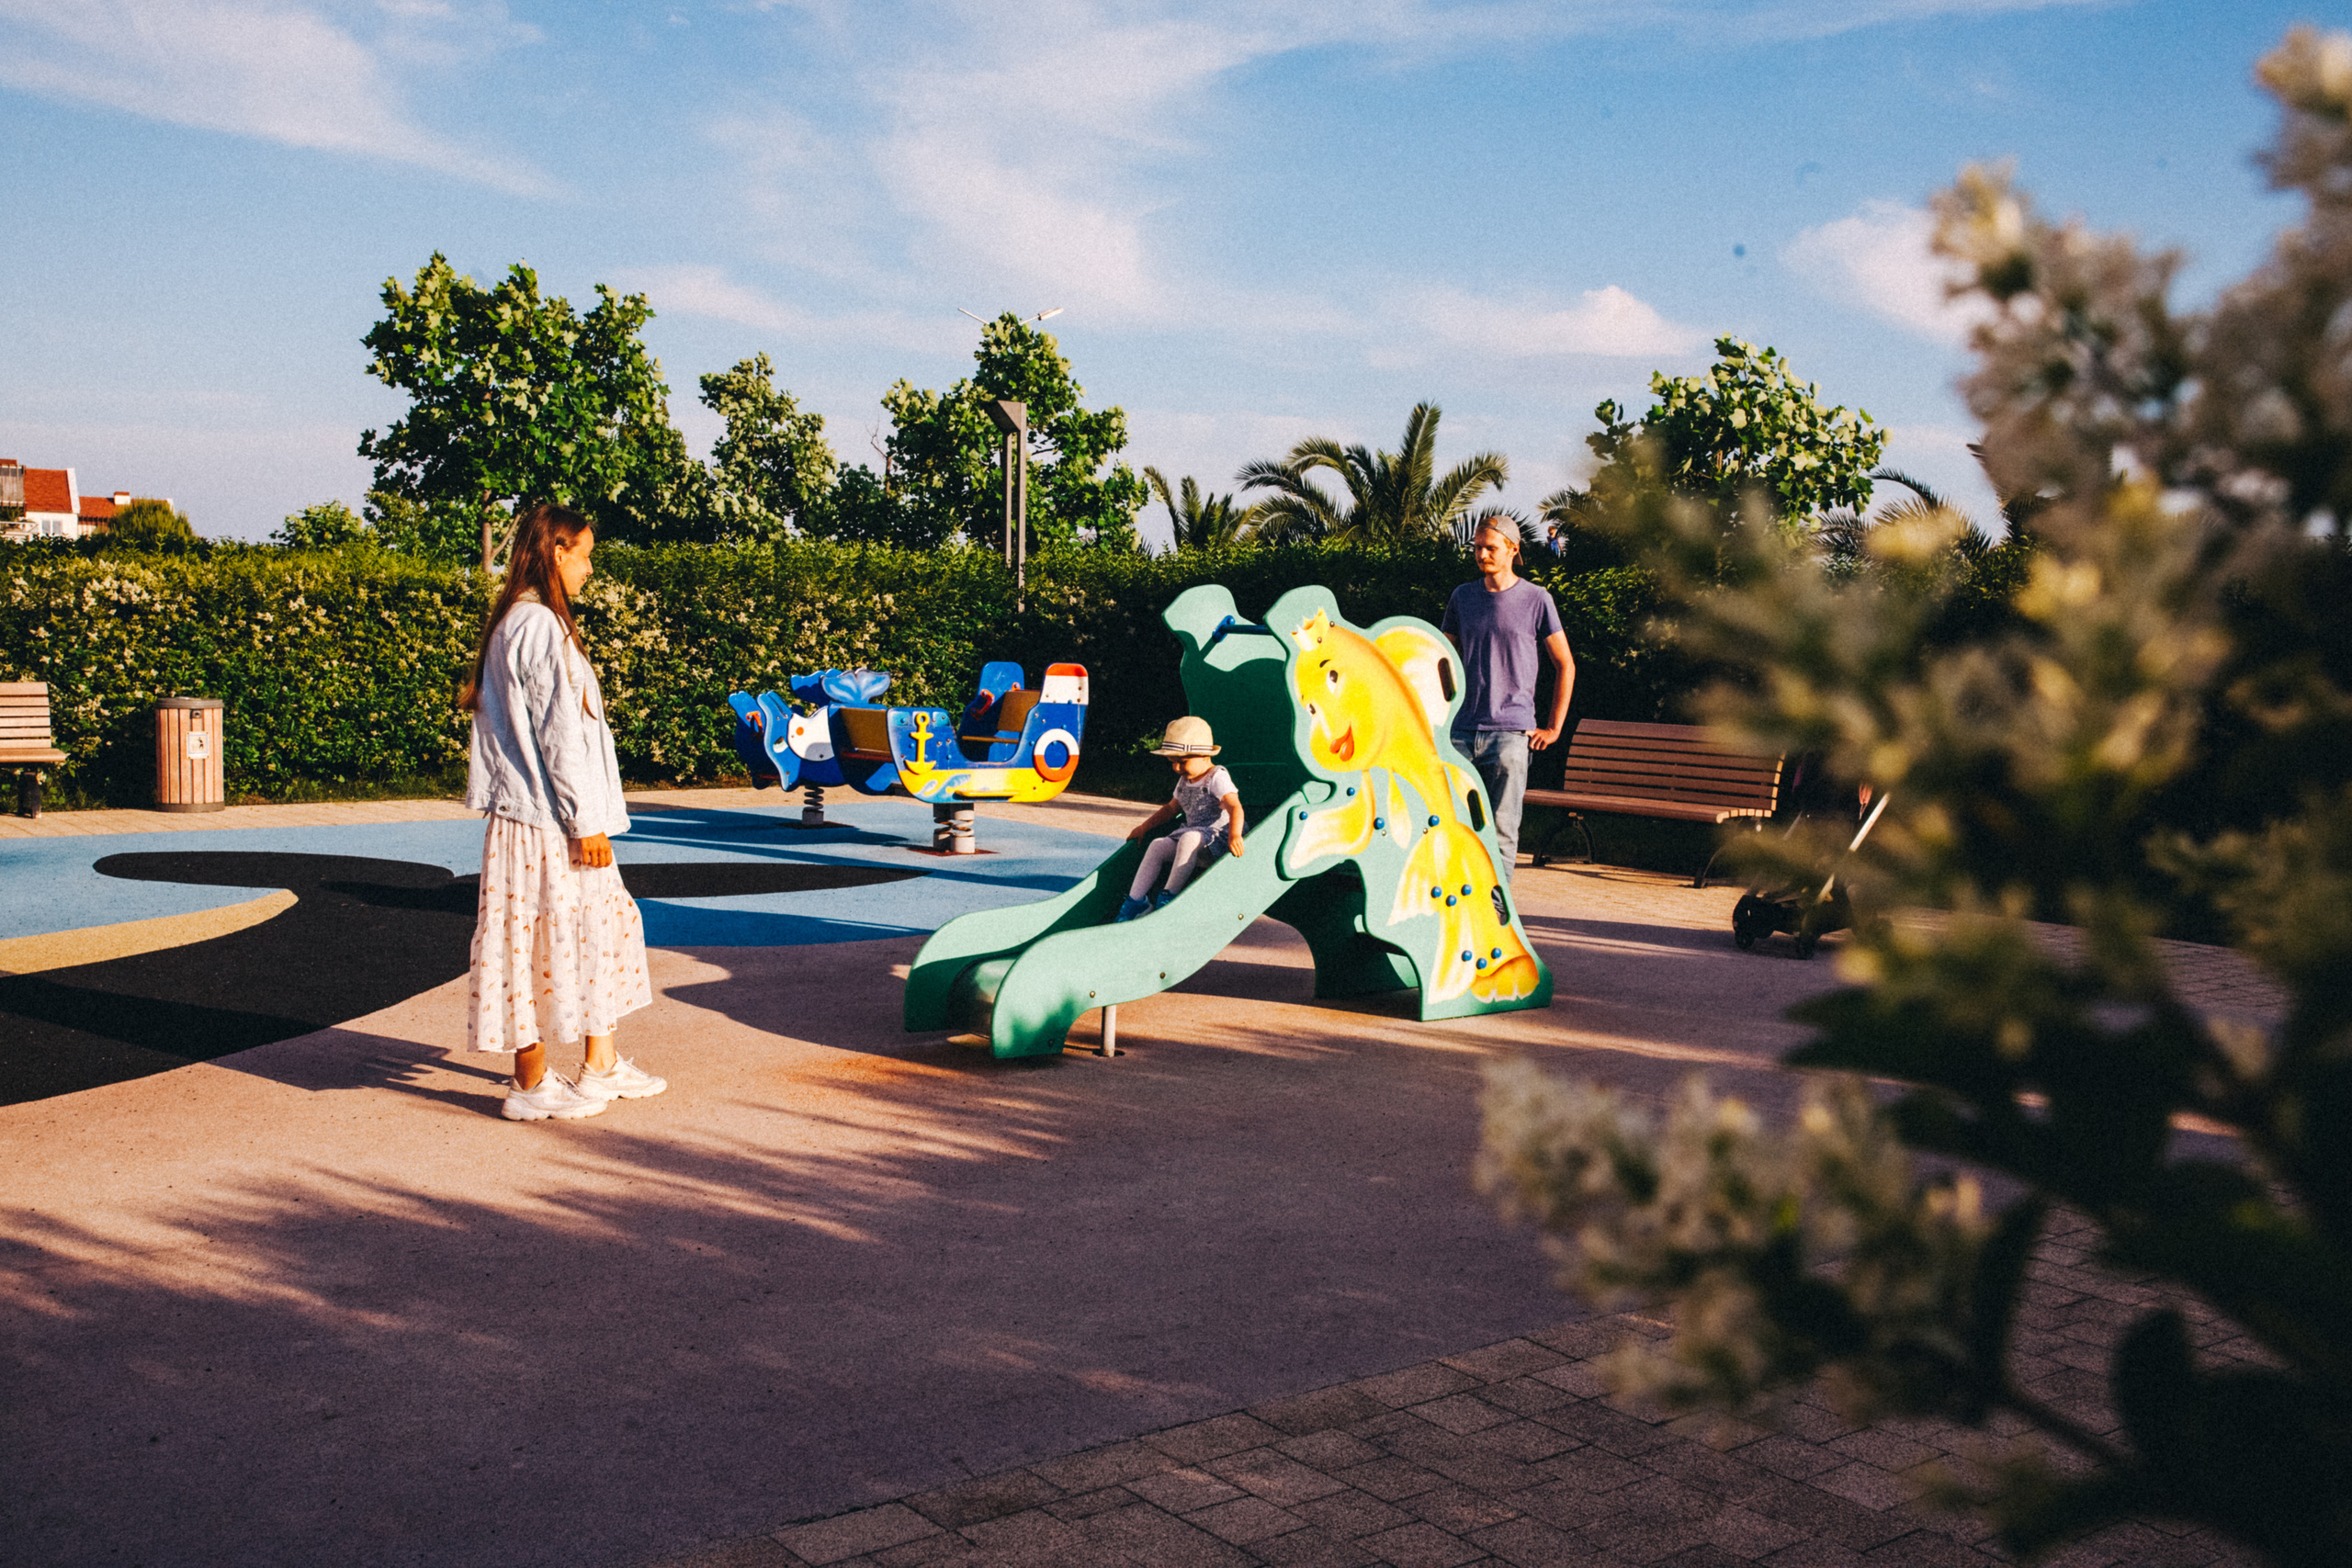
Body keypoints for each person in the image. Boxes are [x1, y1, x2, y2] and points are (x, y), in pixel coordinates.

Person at [458, 502, 665, 1121]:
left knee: (597, 923)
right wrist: (587, 820)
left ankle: (599, 1061)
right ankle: (529, 1081)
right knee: (536, 940)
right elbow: (558, 734)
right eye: (586, 555)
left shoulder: (519, 622)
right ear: (558, 550)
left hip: (541, 815)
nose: (589, 569)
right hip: (547, 820)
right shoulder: (539, 626)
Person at [1442, 520, 1576, 878]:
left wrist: (1553, 728)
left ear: (1513, 550)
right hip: (1460, 732)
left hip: (1511, 734)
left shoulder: (1536, 599)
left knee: (1501, 832)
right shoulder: (1462, 597)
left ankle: (1495, 915)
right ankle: (1453, 909)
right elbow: (1441, 657)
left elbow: (1565, 664)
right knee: (1451, 826)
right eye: (1477, 547)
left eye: (1490, 548)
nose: (1481, 554)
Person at [1114, 716, 1245, 920]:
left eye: (1182, 762)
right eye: (1172, 762)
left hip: (1216, 839)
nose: (1176, 768)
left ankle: (1169, 898)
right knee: (1157, 845)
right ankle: (1136, 902)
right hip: (1192, 839)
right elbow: (1170, 809)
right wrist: (1144, 827)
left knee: (1189, 838)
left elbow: (1234, 806)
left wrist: (1235, 835)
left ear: (1204, 755)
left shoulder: (1216, 776)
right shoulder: (1185, 780)